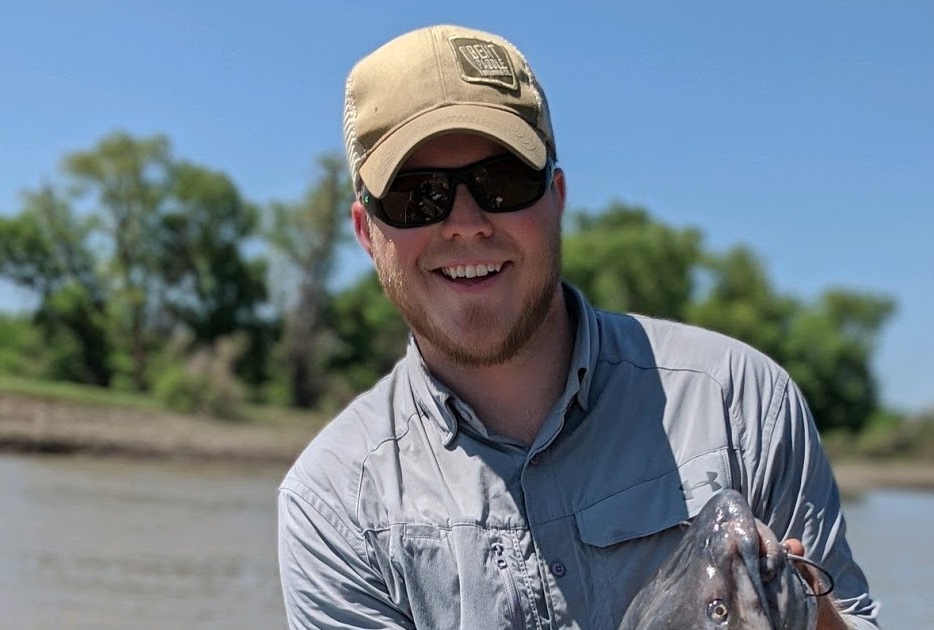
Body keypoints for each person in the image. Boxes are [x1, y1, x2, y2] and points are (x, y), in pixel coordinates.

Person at [278, 23, 880, 629]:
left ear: (556, 196)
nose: (465, 222)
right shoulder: (334, 506)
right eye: (417, 197)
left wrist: (805, 609)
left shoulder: (740, 401)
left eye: (502, 183)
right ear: (365, 231)